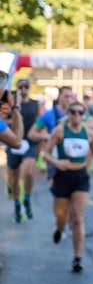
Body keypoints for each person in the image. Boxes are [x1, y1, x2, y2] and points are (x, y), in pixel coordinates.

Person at [42, 100, 93, 272]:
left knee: (77, 218)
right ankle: (60, 227)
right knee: (61, 217)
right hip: (62, 176)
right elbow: (45, 154)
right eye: (73, 112)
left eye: (80, 112)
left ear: (84, 115)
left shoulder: (89, 133)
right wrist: (57, 162)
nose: (76, 115)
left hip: (81, 177)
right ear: (68, 114)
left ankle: (77, 258)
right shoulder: (60, 130)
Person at [5, 79, 40, 222]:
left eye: (26, 86)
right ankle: (17, 205)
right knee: (14, 178)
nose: (24, 89)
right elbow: (3, 121)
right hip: (14, 141)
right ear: (17, 88)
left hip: (30, 142)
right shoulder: (10, 103)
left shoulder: (35, 104)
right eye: (21, 87)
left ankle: (27, 198)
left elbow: (39, 122)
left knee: (28, 172)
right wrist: (15, 117)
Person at [28, 85, 74, 183]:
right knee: (56, 188)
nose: (69, 99)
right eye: (66, 96)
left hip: (72, 156)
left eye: (70, 96)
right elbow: (32, 134)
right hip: (54, 157)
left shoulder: (77, 114)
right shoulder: (49, 114)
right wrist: (48, 136)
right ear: (59, 97)